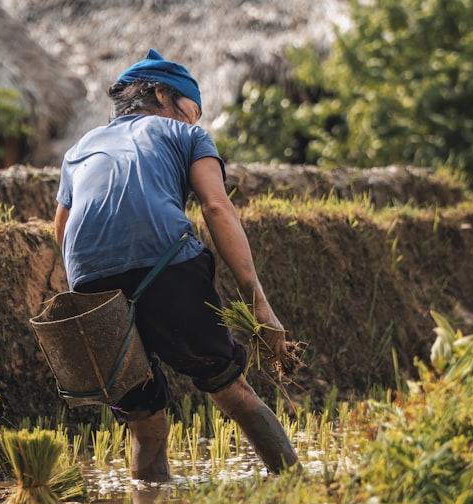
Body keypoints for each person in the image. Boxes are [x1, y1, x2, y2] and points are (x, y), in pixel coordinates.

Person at [53, 49, 300, 482]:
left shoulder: (80, 148)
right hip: (166, 265)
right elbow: (217, 207)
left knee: (144, 422)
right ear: (162, 94)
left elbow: (63, 229)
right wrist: (259, 304)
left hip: (89, 284)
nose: (194, 118)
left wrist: (96, 276)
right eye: (193, 108)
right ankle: (300, 487)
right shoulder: (186, 137)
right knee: (232, 391)